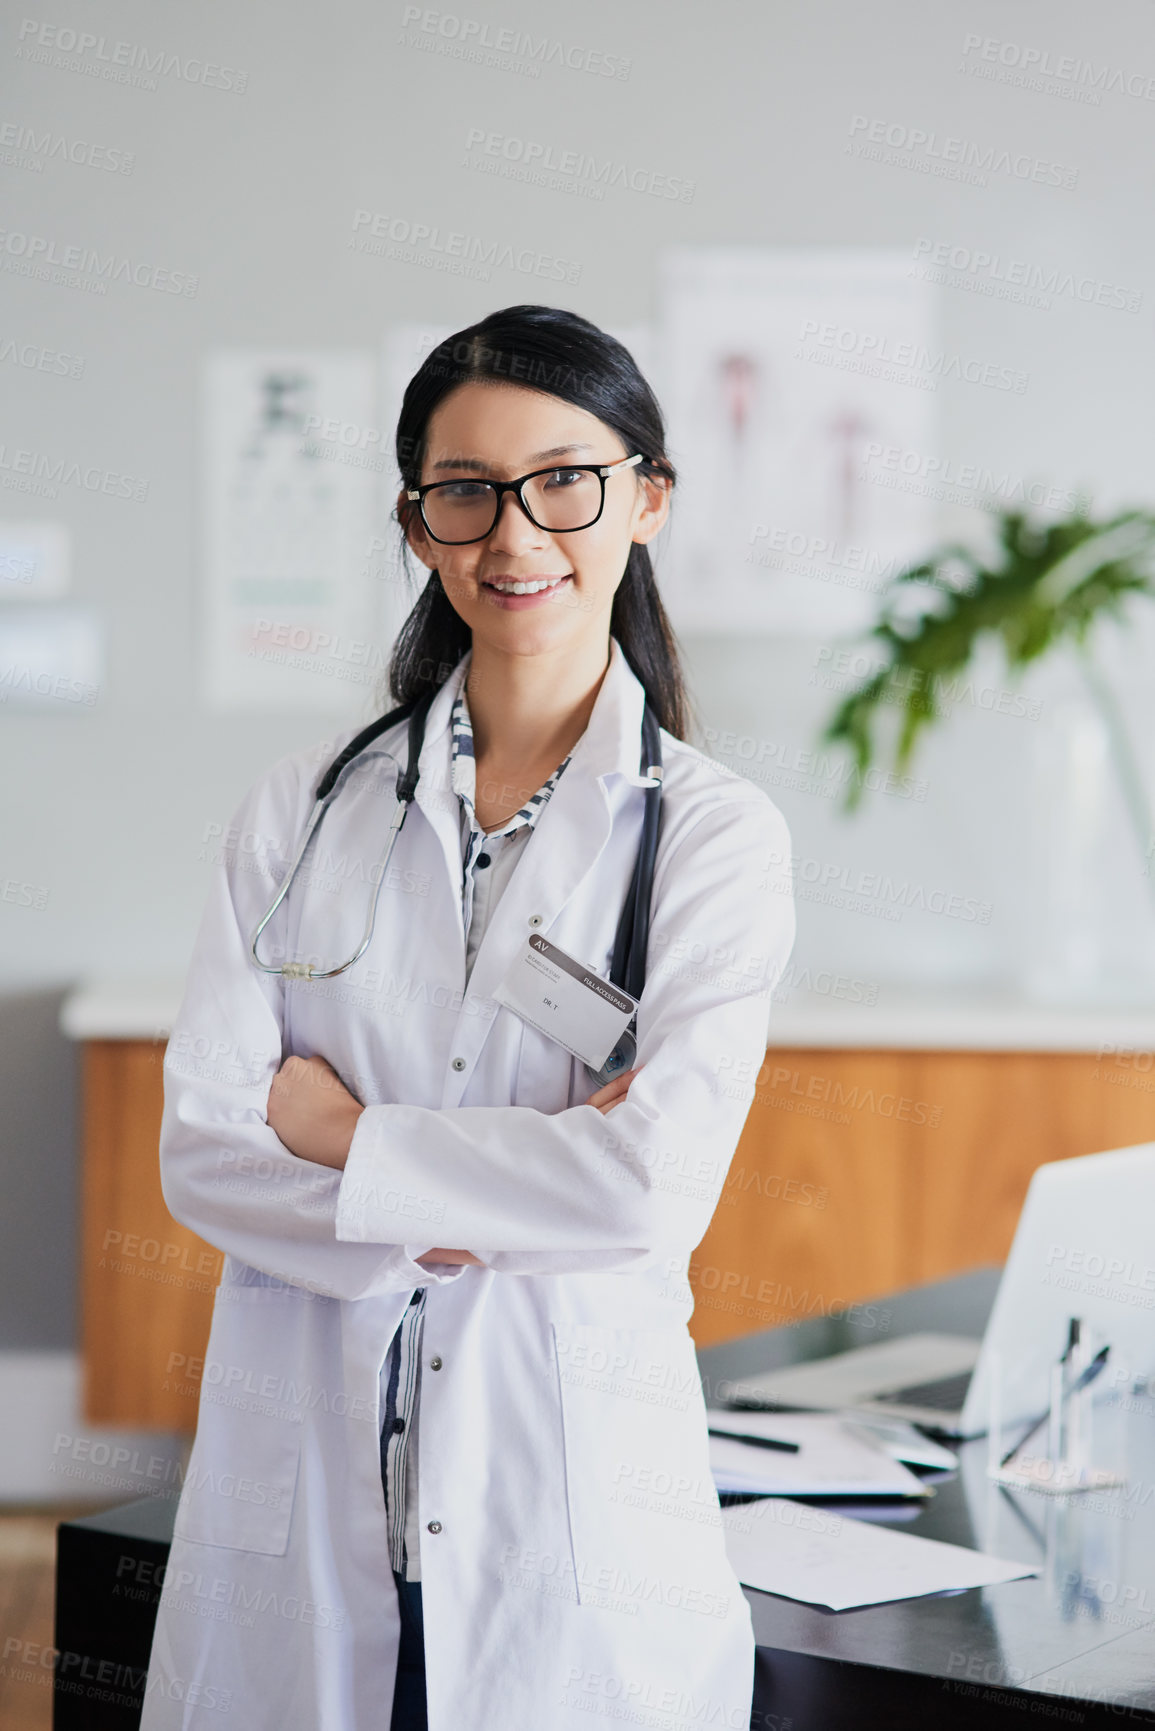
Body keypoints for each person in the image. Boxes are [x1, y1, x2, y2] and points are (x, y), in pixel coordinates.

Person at [142, 304, 795, 1731]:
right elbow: (202, 1149)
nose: (516, 536)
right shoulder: (301, 810)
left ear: (649, 498)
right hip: (309, 1500)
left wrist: (348, 1137)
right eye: (467, 493)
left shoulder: (707, 838)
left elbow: (649, 1186)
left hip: (563, 1516)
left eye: (566, 481)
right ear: (420, 523)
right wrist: (499, 1184)